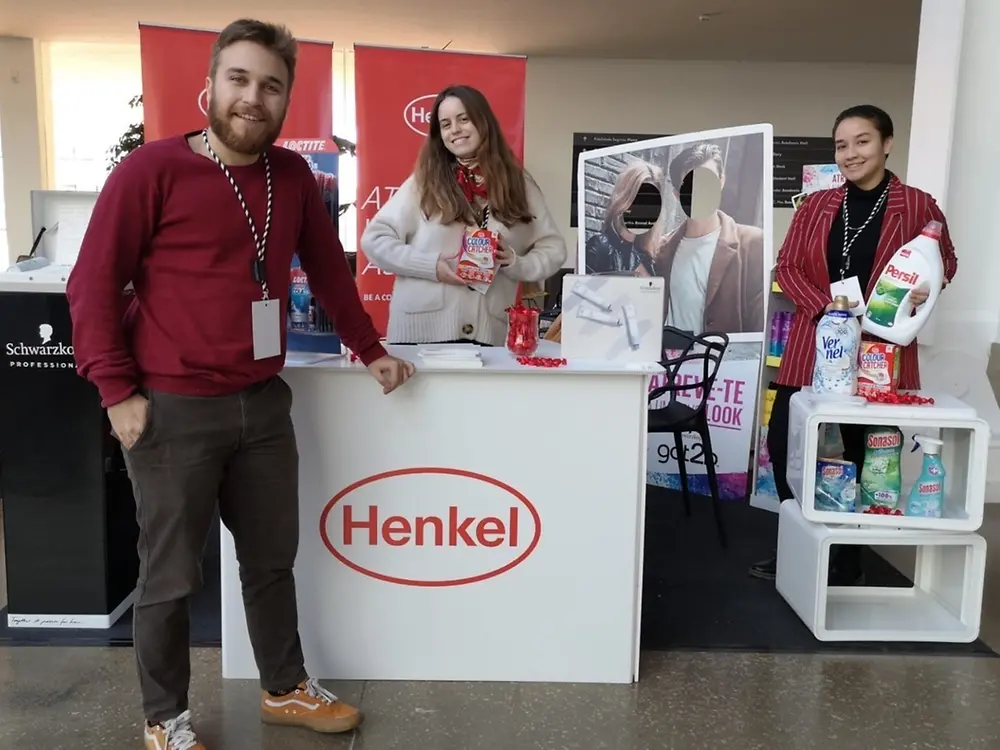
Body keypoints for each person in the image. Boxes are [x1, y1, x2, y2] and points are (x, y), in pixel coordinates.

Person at [65, 19, 414, 750]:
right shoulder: (149, 172)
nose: (253, 97)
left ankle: (283, 688)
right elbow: (92, 283)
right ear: (210, 86)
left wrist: (370, 348)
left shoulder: (292, 178)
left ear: (287, 100)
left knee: (269, 562)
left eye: (271, 85)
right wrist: (116, 392)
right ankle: (165, 719)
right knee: (168, 578)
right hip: (171, 408)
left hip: (262, 403)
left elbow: (328, 270)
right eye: (240, 79)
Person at [749, 104, 958, 582]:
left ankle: (848, 556)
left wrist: (926, 288)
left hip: (879, 354)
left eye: (862, 141)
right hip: (815, 345)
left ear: (887, 144)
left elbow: (946, 262)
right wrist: (827, 309)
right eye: (841, 145)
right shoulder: (817, 206)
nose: (850, 153)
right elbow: (788, 267)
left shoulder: (919, 205)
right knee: (786, 445)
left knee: (869, 456)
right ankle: (800, 542)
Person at [361, 84, 567, 346]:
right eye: (445, 124)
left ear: (483, 122)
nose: (455, 130)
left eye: (464, 119)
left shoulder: (519, 184)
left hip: (486, 337)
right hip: (421, 336)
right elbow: (375, 240)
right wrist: (431, 266)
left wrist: (516, 263)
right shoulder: (424, 182)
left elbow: (554, 249)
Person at [651, 142, 765, 335]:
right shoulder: (662, 250)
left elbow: (760, 324)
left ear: (721, 181)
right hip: (673, 362)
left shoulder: (752, 243)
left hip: (725, 362)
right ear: (677, 195)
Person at [584, 160, 663, 275]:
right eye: (638, 199)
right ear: (625, 198)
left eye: (652, 203)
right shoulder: (600, 248)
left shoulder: (649, 259)